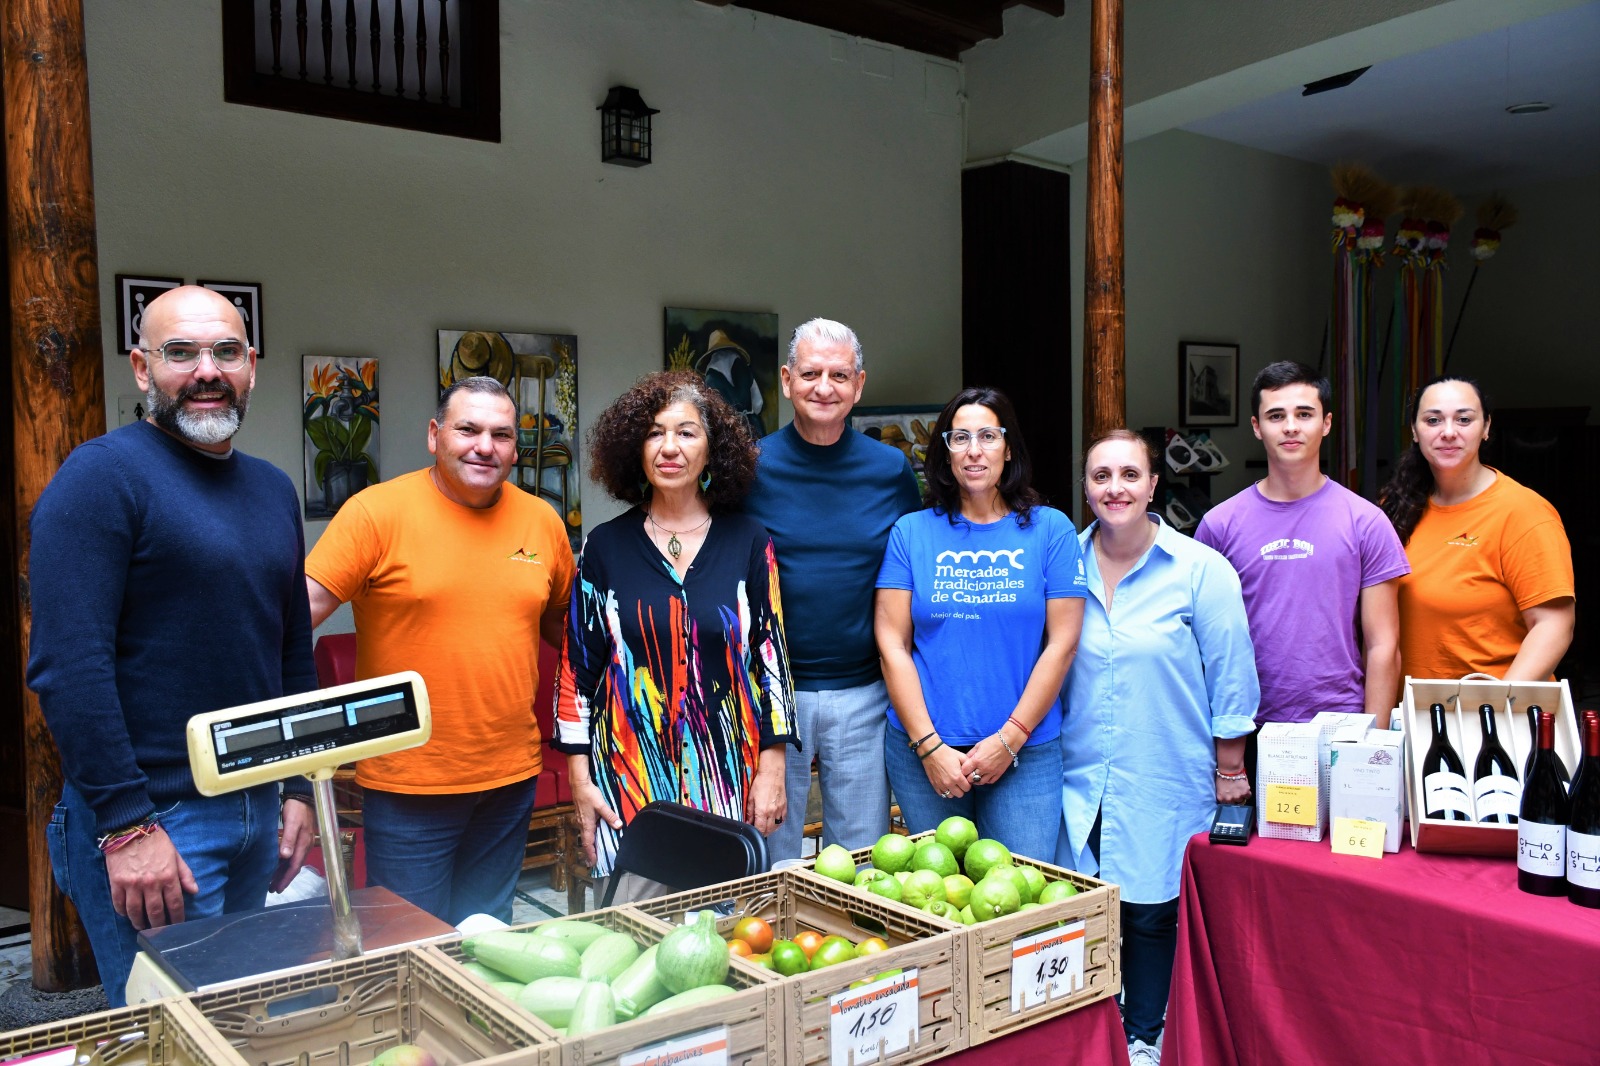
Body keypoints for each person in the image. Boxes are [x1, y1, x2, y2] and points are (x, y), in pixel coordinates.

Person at [27, 285, 317, 1006]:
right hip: (157, 819)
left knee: (234, 1019)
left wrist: (299, 786)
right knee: (169, 1038)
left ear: (251, 365)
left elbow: (290, 650)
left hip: (256, 803)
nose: (206, 370)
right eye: (180, 352)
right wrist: (127, 825)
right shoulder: (101, 478)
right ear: (141, 367)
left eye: (226, 351)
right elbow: (70, 667)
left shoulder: (273, 489)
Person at [305, 377, 575, 924]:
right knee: (410, 946)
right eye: (468, 429)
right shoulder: (374, 512)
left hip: (510, 778)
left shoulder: (542, 521)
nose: (484, 446)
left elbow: (564, 629)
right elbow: (291, 620)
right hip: (409, 782)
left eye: (501, 435)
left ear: (515, 449)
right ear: (435, 435)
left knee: (487, 939)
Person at [1059, 430, 1258, 1065]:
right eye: (1101, 476)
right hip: (1076, 773)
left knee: (1150, 912)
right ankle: (1093, 1040)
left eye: (1129, 475)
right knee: (1080, 910)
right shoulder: (1061, 564)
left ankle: (1144, 1039)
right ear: (1086, 487)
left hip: (1163, 768)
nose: (1114, 488)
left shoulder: (1201, 570)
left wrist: (1230, 770)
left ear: (1152, 485)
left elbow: (1232, 678)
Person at [556, 370, 796, 886]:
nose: (670, 447)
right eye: (653, 433)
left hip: (728, 781)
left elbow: (772, 659)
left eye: (687, 432)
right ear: (635, 450)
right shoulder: (605, 547)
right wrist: (579, 779)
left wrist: (773, 768)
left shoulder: (749, 541)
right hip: (628, 785)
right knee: (632, 924)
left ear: (713, 451)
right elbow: (577, 669)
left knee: (726, 924)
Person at [875, 386, 1086, 860]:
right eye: (960, 438)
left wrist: (1010, 739)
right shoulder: (911, 532)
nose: (974, 450)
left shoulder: (1051, 530)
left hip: (1026, 753)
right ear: (945, 451)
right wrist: (929, 747)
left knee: (1021, 891)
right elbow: (892, 643)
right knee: (936, 893)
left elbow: (1063, 645)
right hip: (925, 753)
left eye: (988, 436)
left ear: (1008, 449)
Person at [747, 319, 921, 862]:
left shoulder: (890, 469)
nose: (824, 387)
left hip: (864, 691)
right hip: (770, 696)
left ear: (859, 385)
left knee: (861, 859)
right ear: (786, 380)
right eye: (811, 373)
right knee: (769, 857)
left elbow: (914, 568)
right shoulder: (750, 467)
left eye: (839, 375)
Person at [1196, 362, 1409, 760]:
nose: (1291, 427)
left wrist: (1372, 747)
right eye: (1276, 416)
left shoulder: (1366, 521)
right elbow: (1203, 646)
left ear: (1326, 423)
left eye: (1304, 414)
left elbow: (1383, 645)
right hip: (1246, 728)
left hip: (1342, 725)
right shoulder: (1219, 525)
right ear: (1257, 426)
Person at [1380, 376, 1574, 681]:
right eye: (1433, 420)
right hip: (1410, 706)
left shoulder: (1523, 511)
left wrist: (1498, 702)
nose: (1448, 432)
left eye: (1464, 419)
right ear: (1415, 432)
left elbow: (1553, 625)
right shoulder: (1394, 507)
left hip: (1491, 706)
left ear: (1486, 428)